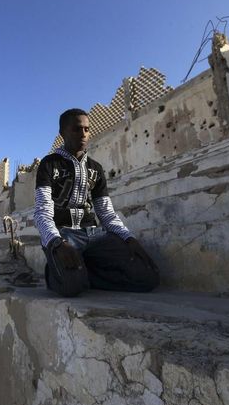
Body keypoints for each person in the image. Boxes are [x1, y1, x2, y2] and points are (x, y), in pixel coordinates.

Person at [34, 108, 160, 297]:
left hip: (94, 236)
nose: (83, 134)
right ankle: (57, 275)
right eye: (77, 129)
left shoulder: (95, 168)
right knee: (72, 288)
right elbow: (42, 212)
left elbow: (107, 213)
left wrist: (128, 238)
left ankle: (83, 272)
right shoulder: (49, 164)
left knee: (148, 277)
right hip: (64, 236)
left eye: (86, 129)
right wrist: (57, 243)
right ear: (63, 133)